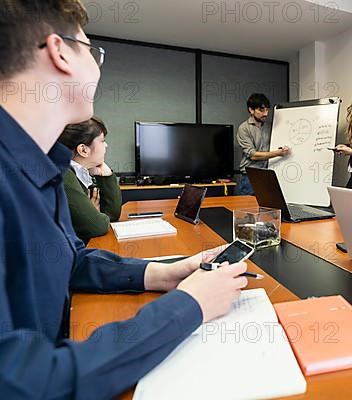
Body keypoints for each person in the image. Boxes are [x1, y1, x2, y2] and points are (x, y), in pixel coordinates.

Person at [0, 1, 248, 398]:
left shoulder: (43, 167)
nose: (99, 67)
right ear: (60, 52)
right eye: (91, 50)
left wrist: (163, 273)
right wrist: (189, 307)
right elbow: (24, 383)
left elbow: (69, 261)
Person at [58, 116, 122, 242]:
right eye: (102, 141)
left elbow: (112, 214)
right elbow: (97, 226)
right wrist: (94, 215)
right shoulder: (65, 175)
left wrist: (106, 175)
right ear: (83, 150)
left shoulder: (83, 174)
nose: (106, 145)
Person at [237, 93, 290, 195]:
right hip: (250, 177)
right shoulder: (244, 128)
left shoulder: (270, 127)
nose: (265, 113)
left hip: (268, 174)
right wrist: (278, 153)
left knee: (267, 208)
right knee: (248, 209)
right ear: (251, 110)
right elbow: (253, 155)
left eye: (267, 110)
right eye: (261, 110)